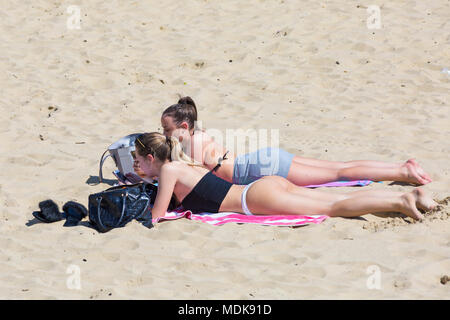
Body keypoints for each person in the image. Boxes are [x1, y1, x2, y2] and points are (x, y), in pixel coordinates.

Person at [134, 132, 437, 222]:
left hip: (255, 198)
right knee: (336, 197)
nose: (135, 166)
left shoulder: (171, 171)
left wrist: (145, 187)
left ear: (151, 159)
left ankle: (401, 201)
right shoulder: (186, 162)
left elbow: (157, 216)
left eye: (137, 161)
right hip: (262, 186)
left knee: (335, 207)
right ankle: (408, 196)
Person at [160, 97, 433, 187]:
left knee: (340, 172)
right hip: (263, 159)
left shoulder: (190, 147)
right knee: (339, 167)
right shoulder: (198, 134)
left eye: (166, 129)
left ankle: (402, 171)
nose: (163, 134)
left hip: (262, 169)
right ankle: (399, 166)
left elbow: (197, 182)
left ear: (184, 127)